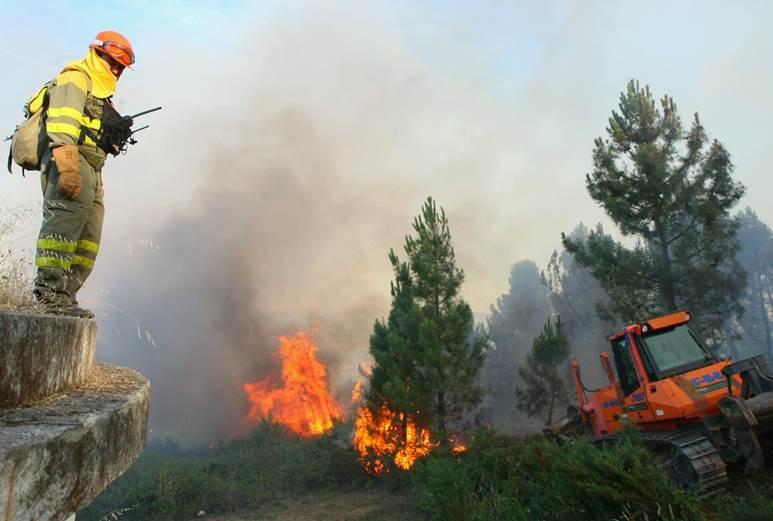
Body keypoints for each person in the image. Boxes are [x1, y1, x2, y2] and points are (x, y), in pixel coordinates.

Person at [33, 31, 135, 318]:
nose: (115, 70)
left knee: (89, 235)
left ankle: (66, 297)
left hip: (92, 167)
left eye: (120, 67)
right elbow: (62, 123)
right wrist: (67, 168)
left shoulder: (103, 95)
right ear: (97, 54)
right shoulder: (76, 78)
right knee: (62, 227)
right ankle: (49, 296)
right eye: (111, 62)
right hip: (70, 160)